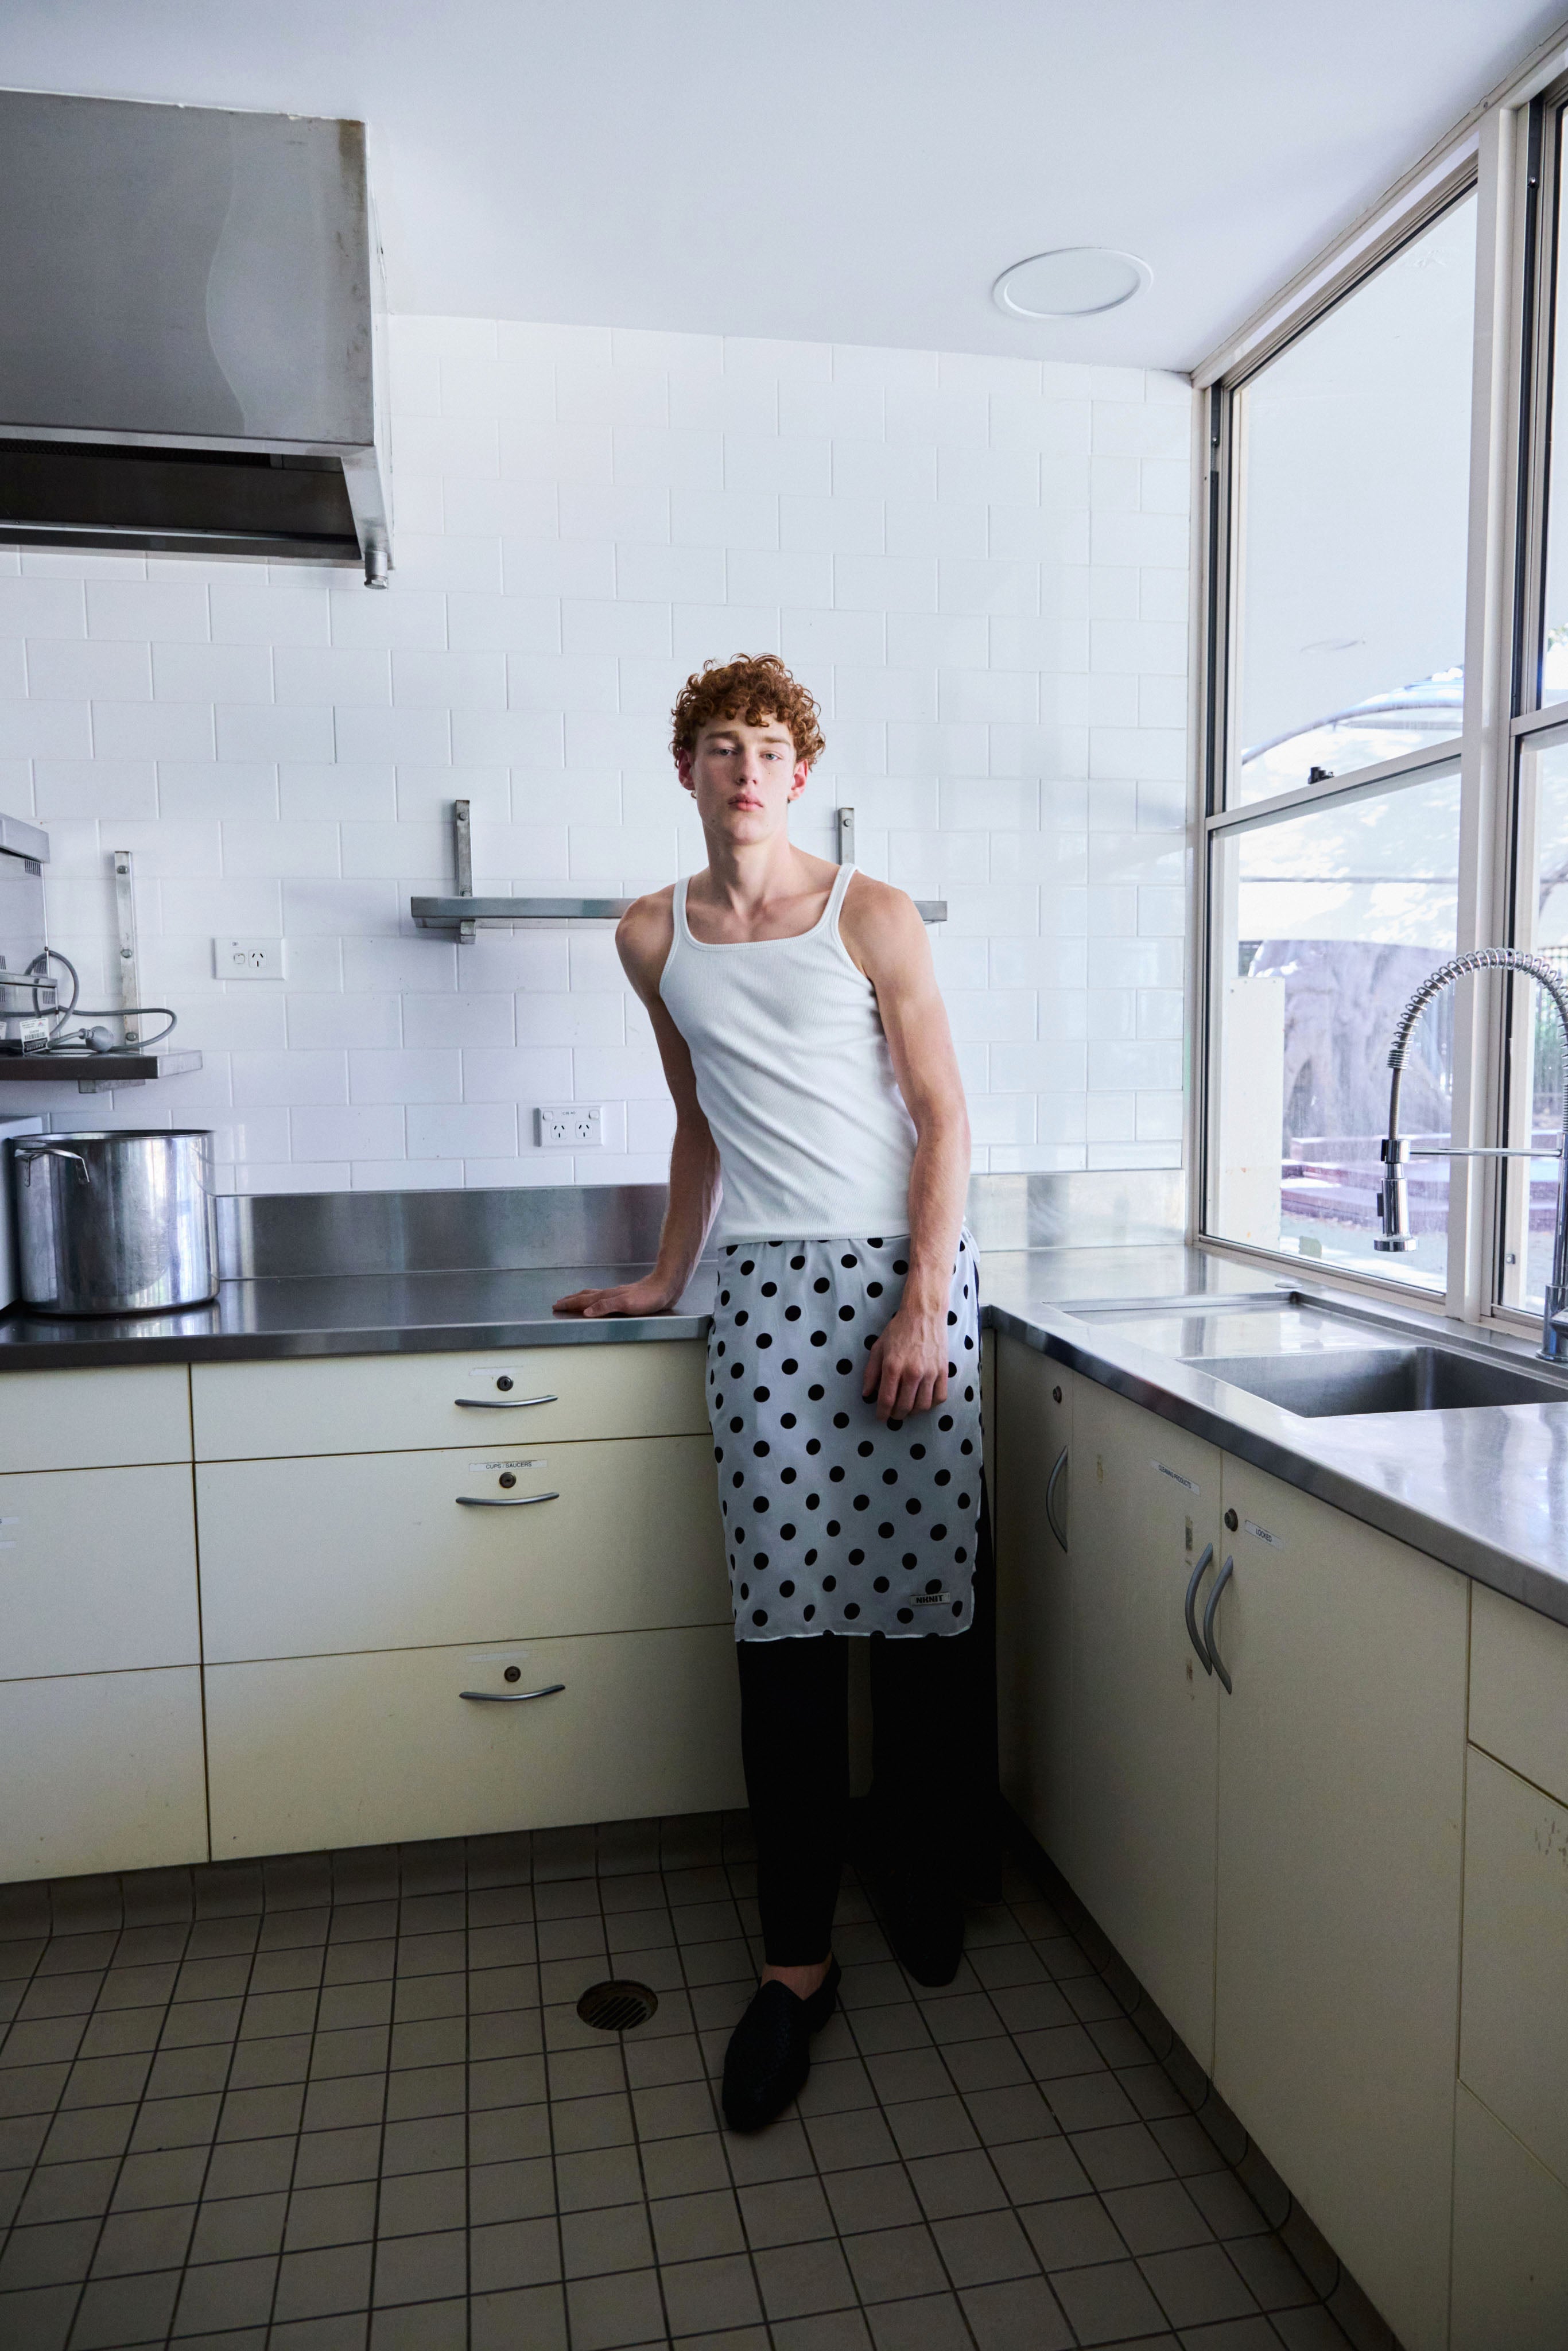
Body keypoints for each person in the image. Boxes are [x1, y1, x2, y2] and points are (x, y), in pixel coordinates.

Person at [556, 652, 987, 2131]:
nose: (746, 770)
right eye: (721, 747)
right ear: (687, 770)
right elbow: (698, 1127)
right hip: (764, 1301)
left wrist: (923, 1302)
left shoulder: (873, 912)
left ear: (801, 775)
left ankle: (922, 1874)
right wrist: (661, 1280)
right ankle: (797, 1965)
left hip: (903, 1286)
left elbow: (942, 1116)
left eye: (768, 748)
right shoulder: (650, 935)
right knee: (784, 1633)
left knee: (926, 1612)